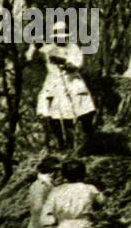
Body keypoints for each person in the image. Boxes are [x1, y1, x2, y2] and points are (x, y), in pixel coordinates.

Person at [27, 21, 97, 150]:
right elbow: (30, 56)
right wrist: (34, 45)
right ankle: (63, 144)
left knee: (85, 112)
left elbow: (76, 65)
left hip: (72, 81)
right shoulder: (50, 47)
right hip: (54, 83)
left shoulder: (73, 48)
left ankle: (90, 140)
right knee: (55, 114)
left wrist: (63, 61)